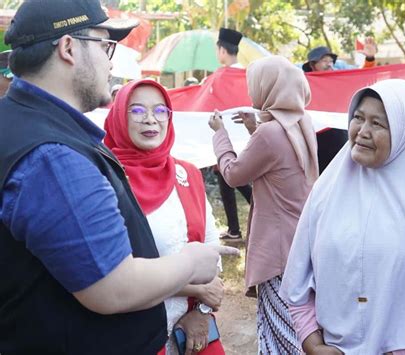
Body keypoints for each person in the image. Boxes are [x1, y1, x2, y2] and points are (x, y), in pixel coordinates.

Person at [0, 1, 237, 353]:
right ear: (68, 48)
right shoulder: (54, 156)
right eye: (104, 45)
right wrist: (191, 262)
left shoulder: (18, 122)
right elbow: (112, 287)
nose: (111, 61)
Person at [280, 79, 405, 354]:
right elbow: (299, 274)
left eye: (378, 124)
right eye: (358, 118)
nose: (362, 132)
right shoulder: (328, 191)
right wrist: (311, 341)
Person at [104, 78, 225, 355]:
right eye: (137, 111)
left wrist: (201, 310)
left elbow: (210, 250)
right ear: (119, 117)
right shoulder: (103, 179)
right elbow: (112, 277)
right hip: (131, 335)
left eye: (160, 111)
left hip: (190, 335)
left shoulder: (188, 174)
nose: (151, 120)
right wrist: (194, 290)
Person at [208, 56, 319, 354]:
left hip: (276, 248)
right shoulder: (301, 122)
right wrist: (253, 128)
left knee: (283, 332)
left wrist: (220, 134)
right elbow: (278, 163)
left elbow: (233, 175)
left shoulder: (270, 133)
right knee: (299, 322)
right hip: (300, 240)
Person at [303, 38, 378, 174]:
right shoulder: (304, 83)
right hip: (316, 137)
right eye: (324, 61)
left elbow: (362, 78)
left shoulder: (339, 81)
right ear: (313, 65)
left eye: (331, 61)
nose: (329, 64)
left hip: (339, 133)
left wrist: (370, 58)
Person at [214, 27, 252, 240]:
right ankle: (234, 229)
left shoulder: (220, 76)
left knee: (232, 178)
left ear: (222, 50)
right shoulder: (248, 74)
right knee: (227, 179)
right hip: (246, 134)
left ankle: (237, 227)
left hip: (225, 135)